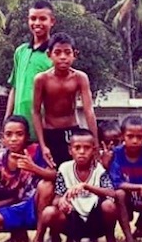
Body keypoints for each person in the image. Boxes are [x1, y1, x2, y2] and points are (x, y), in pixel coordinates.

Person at [0, 115, 56, 242]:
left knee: (46, 185)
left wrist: (34, 168)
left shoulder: (36, 152)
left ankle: (38, 240)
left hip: (33, 206)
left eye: (19, 134)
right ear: (3, 138)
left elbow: (55, 175)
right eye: (9, 134)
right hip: (9, 206)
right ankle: (18, 236)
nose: (14, 139)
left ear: (27, 136)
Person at [33, 129, 120, 242]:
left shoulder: (98, 169)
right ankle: (42, 241)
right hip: (72, 219)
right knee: (49, 212)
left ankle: (111, 240)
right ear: (70, 150)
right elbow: (56, 198)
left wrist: (86, 186)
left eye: (87, 148)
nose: (82, 152)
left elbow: (111, 193)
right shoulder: (64, 169)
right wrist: (62, 201)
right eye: (77, 148)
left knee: (109, 206)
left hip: (94, 220)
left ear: (94, 150)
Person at [32, 32, 98, 168]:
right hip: (50, 133)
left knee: (75, 171)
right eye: (58, 53)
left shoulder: (80, 78)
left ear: (75, 54)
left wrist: (95, 141)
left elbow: (89, 111)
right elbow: (36, 112)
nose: (63, 57)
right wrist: (43, 145)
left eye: (67, 52)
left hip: (72, 131)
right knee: (52, 174)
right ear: (49, 55)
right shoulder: (41, 79)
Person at [5, 0, 55, 141]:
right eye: (33, 18)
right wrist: (7, 120)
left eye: (42, 19)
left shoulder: (54, 56)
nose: (37, 23)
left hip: (42, 130)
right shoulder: (20, 52)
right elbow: (14, 89)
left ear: (52, 21)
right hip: (18, 129)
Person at [108, 115, 142, 242]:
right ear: (122, 136)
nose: (135, 141)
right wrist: (139, 187)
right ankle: (129, 238)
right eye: (130, 136)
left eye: (139, 137)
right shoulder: (117, 153)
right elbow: (116, 182)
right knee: (119, 194)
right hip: (127, 198)